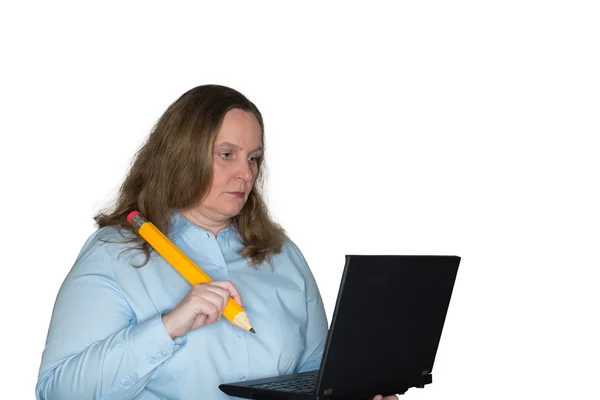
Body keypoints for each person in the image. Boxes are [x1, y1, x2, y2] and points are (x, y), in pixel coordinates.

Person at [36, 84, 398, 400]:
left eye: (253, 158)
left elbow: (315, 376)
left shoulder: (281, 253)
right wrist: (168, 327)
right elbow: (57, 391)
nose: (246, 173)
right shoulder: (114, 253)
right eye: (227, 155)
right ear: (182, 155)